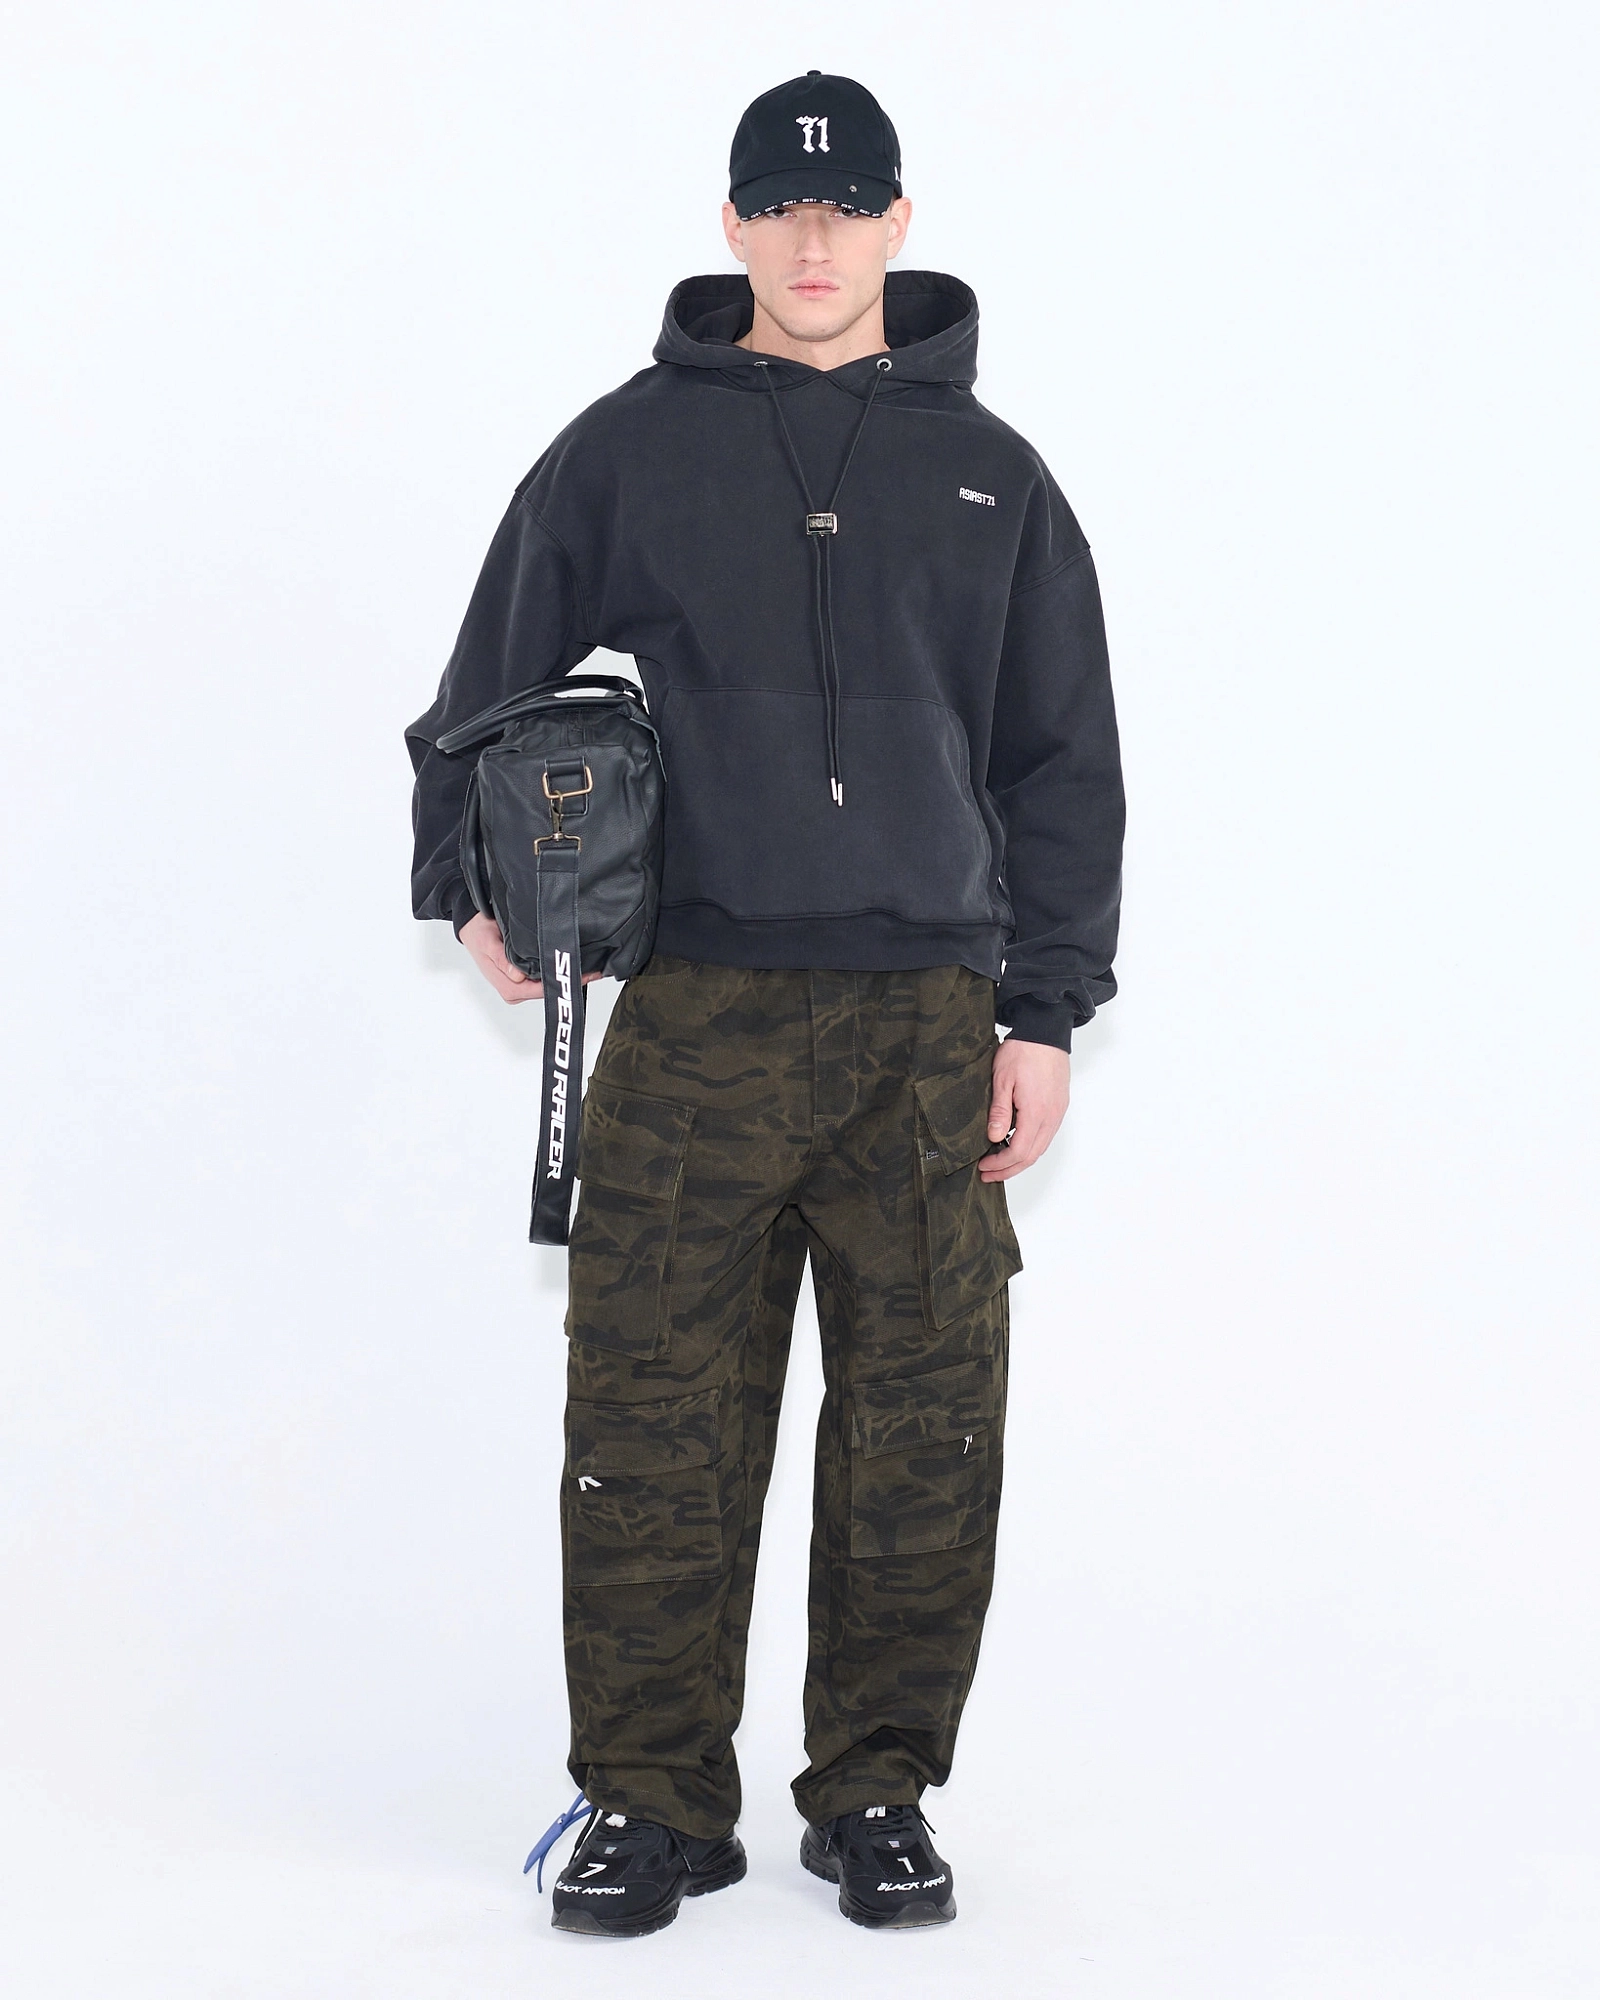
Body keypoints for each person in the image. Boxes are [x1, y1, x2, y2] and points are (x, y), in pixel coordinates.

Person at [405, 69, 1123, 1937]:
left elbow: (1062, 763)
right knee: (653, 1418)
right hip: (696, 1015)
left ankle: (876, 1792)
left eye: (850, 205)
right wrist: (467, 877)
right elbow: (476, 694)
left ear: (899, 221)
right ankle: (651, 1803)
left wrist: (1043, 1013)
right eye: (781, 207)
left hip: (925, 1030)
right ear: (731, 223)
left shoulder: (996, 478)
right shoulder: (628, 450)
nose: (815, 239)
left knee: (925, 1428)